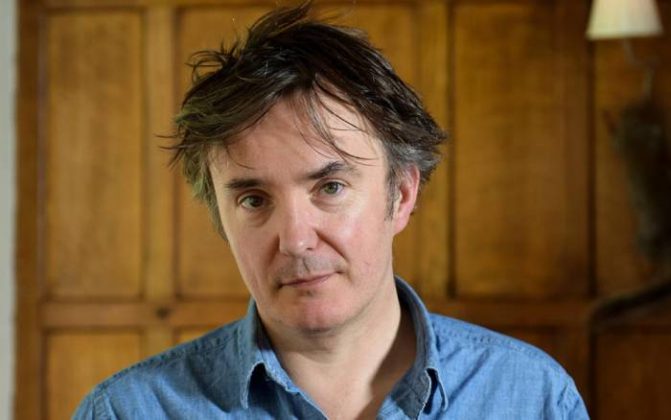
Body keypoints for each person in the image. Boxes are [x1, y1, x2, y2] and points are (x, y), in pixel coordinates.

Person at [74, 2, 589, 419]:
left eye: (331, 187)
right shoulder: (128, 411)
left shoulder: (533, 397)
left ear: (401, 195)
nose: (296, 239)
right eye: (254, 200)